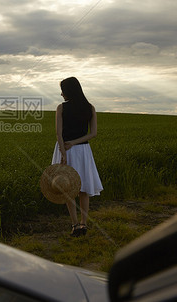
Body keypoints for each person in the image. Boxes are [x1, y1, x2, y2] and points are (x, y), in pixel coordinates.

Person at [52, 77, 103, 237]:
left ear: (68, 91)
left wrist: (64, 152)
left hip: (66, 150)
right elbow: (93, 134)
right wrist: (75, 142)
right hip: (83, 151)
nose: (61, 94)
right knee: (84, 189)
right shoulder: (90, 108)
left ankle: (74, 225)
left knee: (68, 188)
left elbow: (58, 133)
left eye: (63, 90)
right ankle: (83, 224)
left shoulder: (61, 108)